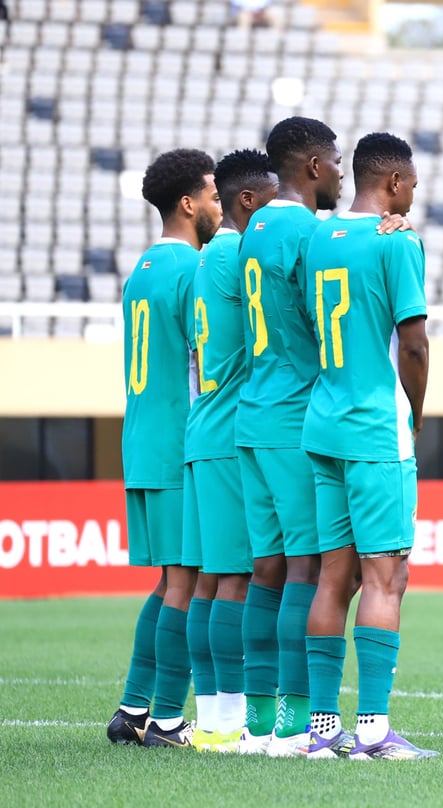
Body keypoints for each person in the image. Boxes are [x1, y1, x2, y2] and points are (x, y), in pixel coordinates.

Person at [296, 132, 433, 761]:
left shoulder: (318, 235)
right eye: (413, 183)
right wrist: (419, 410)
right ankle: (374, 731)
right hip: (376, 427)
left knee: (333, 578)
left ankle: (323, 732)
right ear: (397, 183)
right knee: (386, 577)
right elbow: (413, 343)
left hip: (321, 424)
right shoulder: (399, 241)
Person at [234, 116, 344, 756]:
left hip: (254, 412)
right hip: (293, 412)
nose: (339, 171)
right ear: (310, 165)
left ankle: (256, 721)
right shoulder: (305, 228)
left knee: (266, 569)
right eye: (333, 160)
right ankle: (298, 722)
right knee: (309, 566)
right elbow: (322, 309)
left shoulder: (255, 229)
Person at [108, 148, 223, 749]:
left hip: (142, 441)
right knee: (188, 582)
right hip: (180, 444)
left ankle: (132, 709)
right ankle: (169, 720)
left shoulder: (142, 271)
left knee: (167, 581)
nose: (218, 204)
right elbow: (203, 364)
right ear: (188, 203)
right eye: (211, 194)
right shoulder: (192, 271)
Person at [183, 149, 279, 752]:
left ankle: (214, 719)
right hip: (228, 432)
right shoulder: (235, 252)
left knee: (210, 582)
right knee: (235, 580)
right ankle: (228, 722)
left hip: (205, 426)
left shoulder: (206, 257)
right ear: (249, 202)